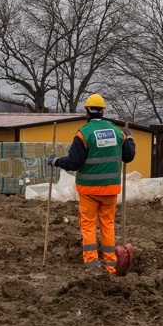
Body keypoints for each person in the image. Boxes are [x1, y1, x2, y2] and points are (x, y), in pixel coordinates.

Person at [49, 93, 136, 274]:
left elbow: (74, 162)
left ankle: (92, 266)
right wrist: (129, 138)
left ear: (87, 112)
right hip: (110, 190)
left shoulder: (84, 134)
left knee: (88, 227)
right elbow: (128, 156)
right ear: (103, 112)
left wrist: (56, 161)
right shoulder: (117, 132)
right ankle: (111, 265)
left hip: (89, 191)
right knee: (108, 225)